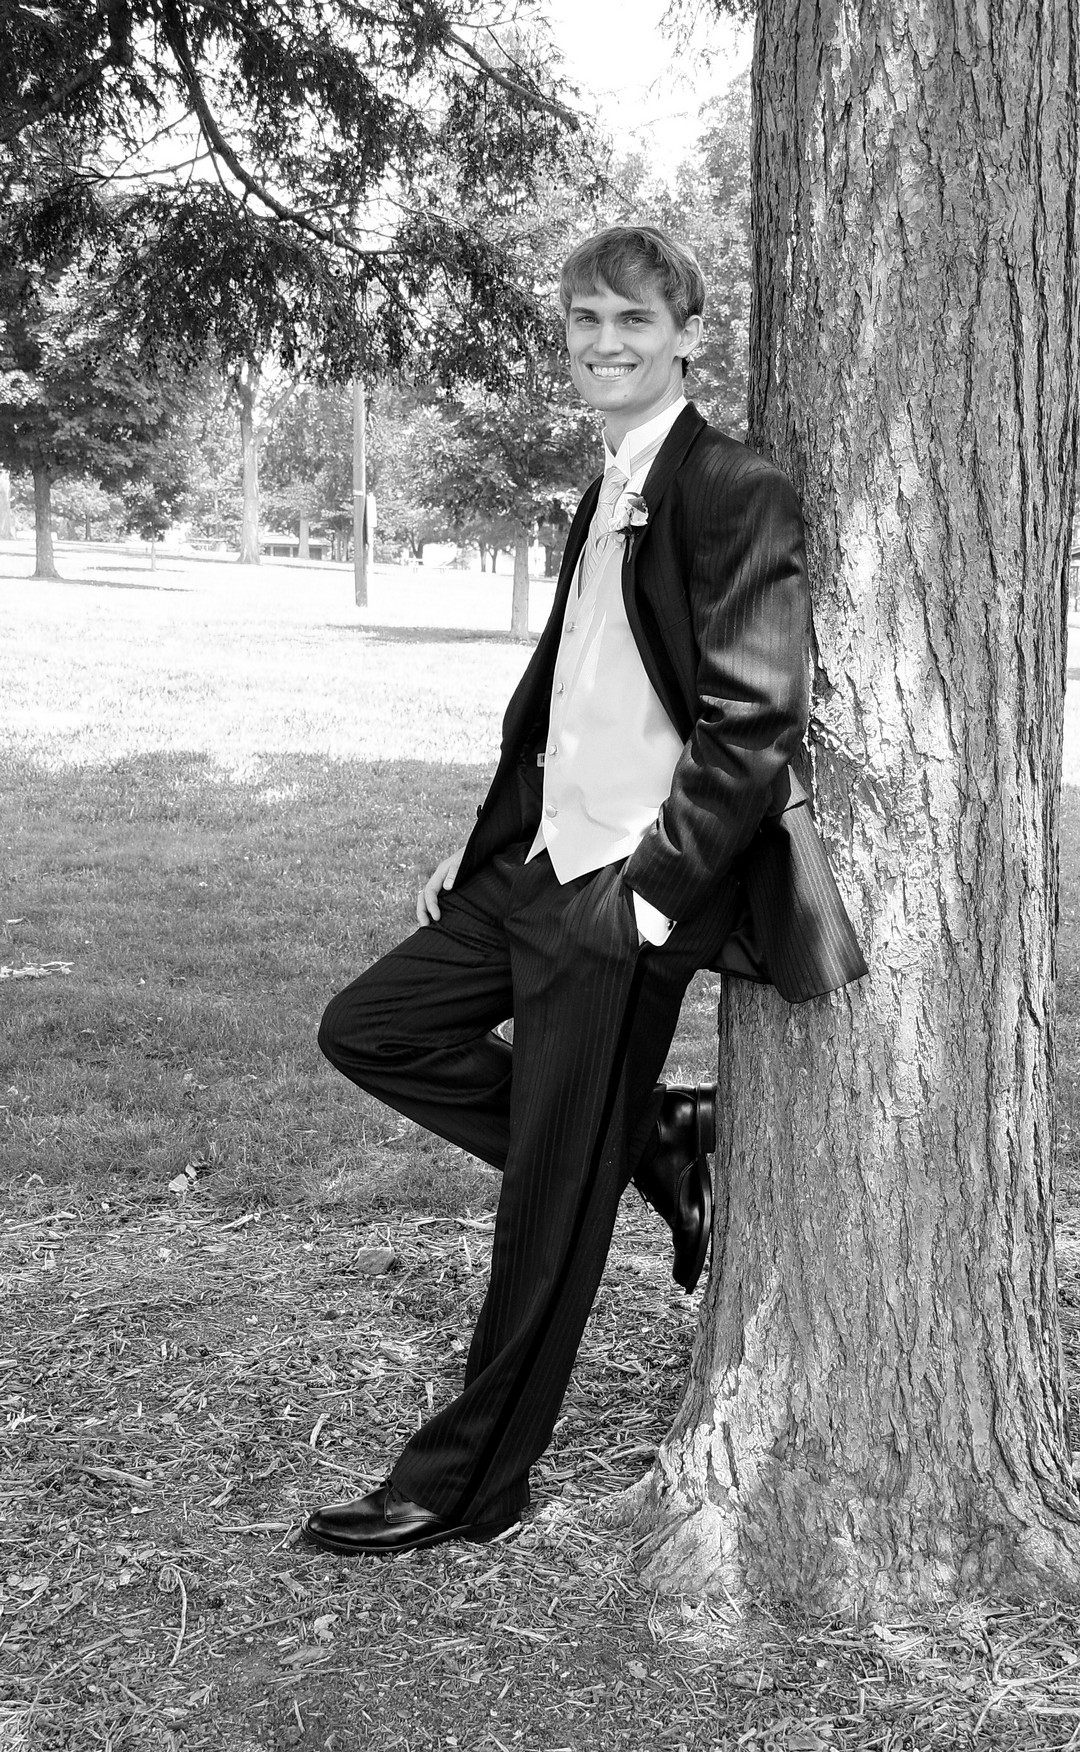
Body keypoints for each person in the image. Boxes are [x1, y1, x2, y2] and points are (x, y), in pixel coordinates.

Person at [303, 226, 866, 1559]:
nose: (604, 343)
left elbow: (752, 722)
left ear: (686, 335)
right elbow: (570, 688)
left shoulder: (731, 485)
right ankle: (656, 1140)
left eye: (632, 320)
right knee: (371, 1026)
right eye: (584, 321)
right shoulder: (603, 485)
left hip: (627, 890)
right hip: (537, 864)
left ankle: (465, 1486)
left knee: (544, 1210)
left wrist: (650, 900)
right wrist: (486, 843)